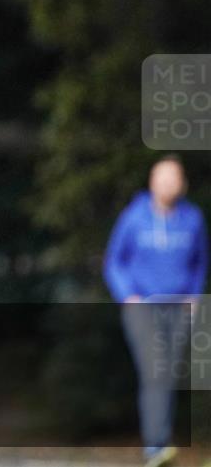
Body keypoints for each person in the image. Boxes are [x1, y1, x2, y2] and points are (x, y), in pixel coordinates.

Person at [104, 156, 208, 467]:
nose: (167, 184)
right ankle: (155, 447)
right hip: (143, 307)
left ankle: (160, 445)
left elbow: (200, 261)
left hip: (178, 308)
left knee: (167, 375)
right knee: (155, 371)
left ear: (183, 183)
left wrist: (194, 297)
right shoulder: (133, 217)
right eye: (162, 178)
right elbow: (114, 261)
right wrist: (128, 296)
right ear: (152, 182)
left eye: (173, 178)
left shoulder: (193, 219)